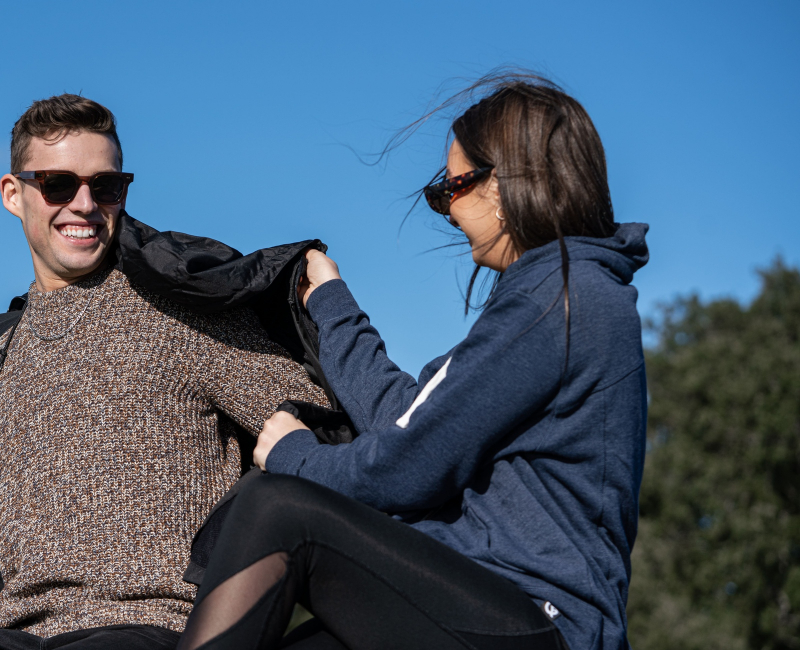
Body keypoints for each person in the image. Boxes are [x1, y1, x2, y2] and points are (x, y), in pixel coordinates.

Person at [0, 94, 335, 650]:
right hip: (17, 635)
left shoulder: (179, 312)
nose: (84, 204)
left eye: (105, 186)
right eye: (57, 184)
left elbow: (317, 426)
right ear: (12, 194)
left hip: (159, 627)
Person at [174, 74, 649, 650]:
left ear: (500, 185)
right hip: (489, 604)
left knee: (276, 507)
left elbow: (406, 466)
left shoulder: (558, 299)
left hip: (543, 621)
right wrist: (331, 303)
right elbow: (410, 420)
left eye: (449, 188)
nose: (448, 211)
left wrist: (295, 457)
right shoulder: (562, 295)